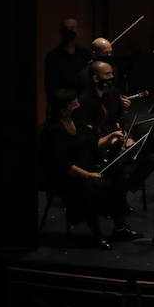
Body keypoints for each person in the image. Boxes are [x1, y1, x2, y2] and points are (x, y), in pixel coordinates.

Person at [40, 89, 138, 248]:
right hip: (65, 175)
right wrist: (87, 174)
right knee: (90, 187)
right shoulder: (52, 130)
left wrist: (112, 136)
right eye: (74, 104)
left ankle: (120, 227)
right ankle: (97, 234)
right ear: (64, 109)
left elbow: (93, 143)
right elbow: (62, 164)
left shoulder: (76, 122)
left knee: (116, 176)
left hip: (85, 167)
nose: (78, 105)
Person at [44, 18, 91, 114]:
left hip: (82, 107)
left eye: (73, 28)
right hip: (61, 107)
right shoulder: (53, 56)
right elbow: (50, 86)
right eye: (68, 29)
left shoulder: (85, 55)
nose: (71, 32)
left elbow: (89, 82)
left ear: (78, 31)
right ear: (62, 32)